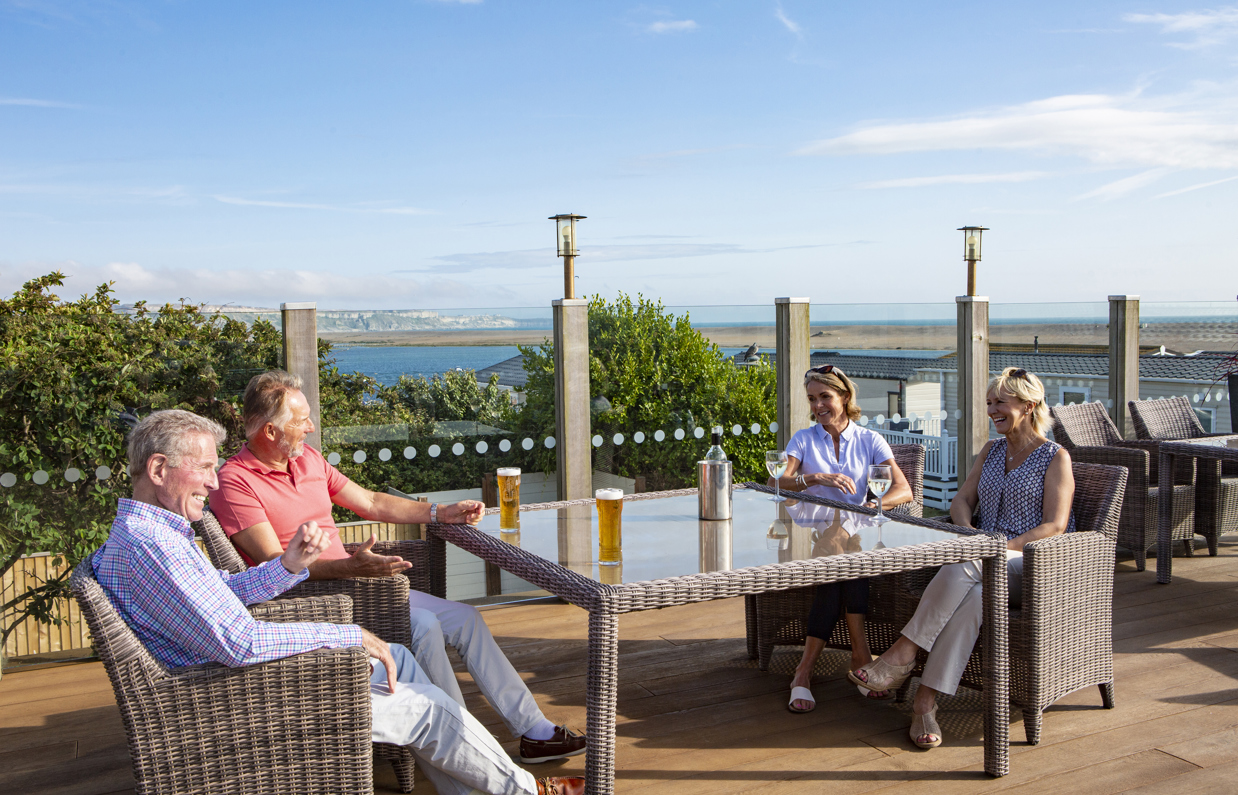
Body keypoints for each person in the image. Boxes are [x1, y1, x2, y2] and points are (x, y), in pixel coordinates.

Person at [92, 409, 583, 795]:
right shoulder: (153, 548)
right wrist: (345, 634)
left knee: (403, 659)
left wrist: (289, 565)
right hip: (238, 697)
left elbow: (223, 591)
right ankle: (526, 791)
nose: (212, 481)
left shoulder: (149, 535)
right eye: (202, 468)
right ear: (159, 469)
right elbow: (239, 642)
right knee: (430, 705)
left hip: (233, 675)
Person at [208, 370, 585, 764]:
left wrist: (440, 512)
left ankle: (534, 732)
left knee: (466, 618)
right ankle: (467, 745)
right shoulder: (235, 482)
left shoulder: (308, 460)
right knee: (426, 626)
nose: (311, 427)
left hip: (359, 587)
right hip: (312, 604)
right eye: (301, 421)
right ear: (270, 431)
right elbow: (274, 564)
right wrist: (349, 568)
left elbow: (371, 501)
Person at [849, 367, 1075, 750]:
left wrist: (999, 547)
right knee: (975, 597)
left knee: (968, 562)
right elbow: (961, 500)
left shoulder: (1056, 457)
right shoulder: (992, 450)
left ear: (1028, 405)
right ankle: (924, 704)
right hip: (984, 564)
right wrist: (968, 530)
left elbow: (1055, 525)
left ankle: (901, 654)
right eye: (989, 403)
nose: (992, 410)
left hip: (1033, 565)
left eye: (1000, 402)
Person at [769, 364, 913, 713]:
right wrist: (815, 478)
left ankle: (804, 671)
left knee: (838, 566)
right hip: (811, 530)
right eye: (812, 399)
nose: (818, 405)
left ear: (845, 397)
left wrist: (871, 505)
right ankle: (861, 656)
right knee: (845, 560)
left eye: (825, 397)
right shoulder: (803, 439)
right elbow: (776, 482)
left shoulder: (869, 440)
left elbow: (903, 490)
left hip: (856, 528)